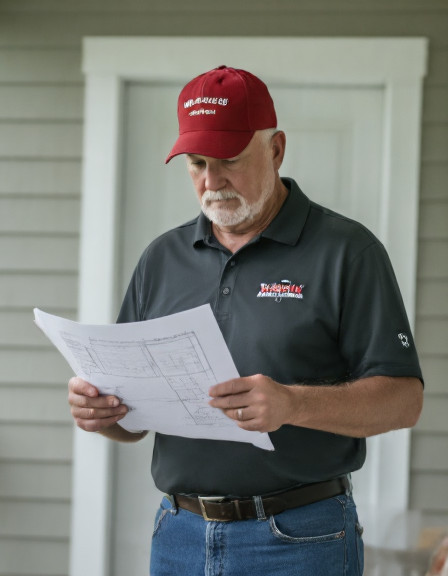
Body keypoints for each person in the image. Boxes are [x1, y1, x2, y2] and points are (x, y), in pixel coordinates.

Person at [68, 65, 424, 575]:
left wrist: (291, 403)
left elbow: (404, 400)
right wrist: (105, 415)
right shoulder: (161, 258)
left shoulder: (349, 252)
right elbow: (133, 420)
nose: (212, 182)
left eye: (229, 160)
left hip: (302, 539)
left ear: (276, 149)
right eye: (196, 163)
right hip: (178, 535)